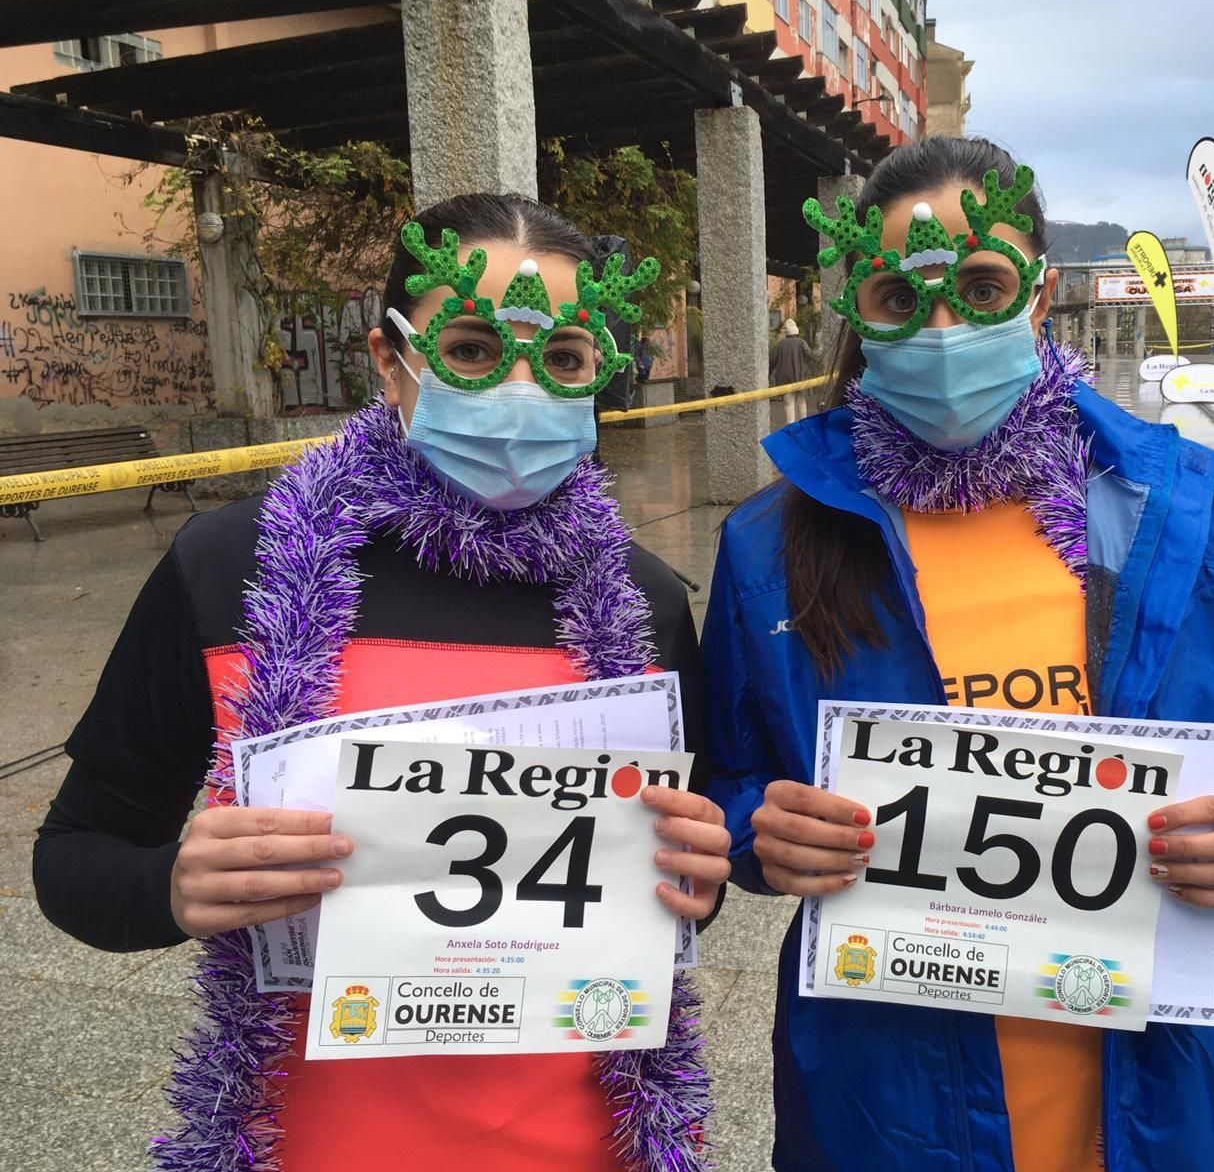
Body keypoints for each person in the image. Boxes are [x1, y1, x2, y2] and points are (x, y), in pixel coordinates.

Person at [33, 193, 730, 1172]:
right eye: (475, 350)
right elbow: (73, 856)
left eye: (563, 359)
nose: (519, 391)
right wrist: (173, 888)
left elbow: (670, 896)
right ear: (388, 358)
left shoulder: (644, 605)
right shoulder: (234, 567)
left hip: (582, 1146)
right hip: (312, 1143)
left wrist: (697, 871)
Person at [702, 137, 1214, 1171]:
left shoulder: (1178, 503)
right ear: (862, 314)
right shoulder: (769, 544)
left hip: (1145, 1089)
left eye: (981, 287)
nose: (945, 330)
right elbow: (724, 779)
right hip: (885, 1103)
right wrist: (758, 832)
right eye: (902, 297)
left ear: (1036, 296)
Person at [770, 317, 820, 426]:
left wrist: (767, 376)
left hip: (785, 380)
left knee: (789, 404)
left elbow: (772, 362)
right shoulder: (801, 342)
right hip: (800, 378)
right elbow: (811, 355)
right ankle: (803, 424)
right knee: (801, 402)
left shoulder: (780, 345)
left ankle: (791, 427)